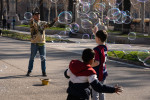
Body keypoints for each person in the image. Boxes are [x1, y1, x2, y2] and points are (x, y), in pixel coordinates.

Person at [26, 8, 58, 77]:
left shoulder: (43, 23)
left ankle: (44, 71)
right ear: (33, 16)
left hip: (42, 43)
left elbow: (49, 25)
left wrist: (54, 21)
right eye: (36, 15)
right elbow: (31, 24)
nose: (38, 16)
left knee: (43, 58)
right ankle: (29, 71)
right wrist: (31, 20)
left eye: (38, 15)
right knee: (32, 58)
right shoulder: (32, 22)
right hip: (34, 43)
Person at [91, 28, 108, 100]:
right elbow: (102, 41)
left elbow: (97, 62)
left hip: (97, 74)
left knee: (95, 93)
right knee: (101, 90)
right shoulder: (105, 47)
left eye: (95, 37)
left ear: (98, 38)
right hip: (103, 72)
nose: (95, 38)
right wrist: (96, 33)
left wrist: (88, 65)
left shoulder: (96, 49)